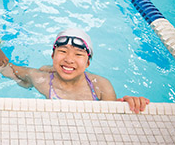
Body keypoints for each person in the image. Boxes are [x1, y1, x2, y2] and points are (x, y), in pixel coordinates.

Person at [10, 28, 149, 114]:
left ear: (88, 62)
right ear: (53, 56)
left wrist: (131, 104)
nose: (69, 59)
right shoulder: (41, 80)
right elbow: (7, 68)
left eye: (78, 54)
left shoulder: (101, 86)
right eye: (63, 51)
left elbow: (113, 120)